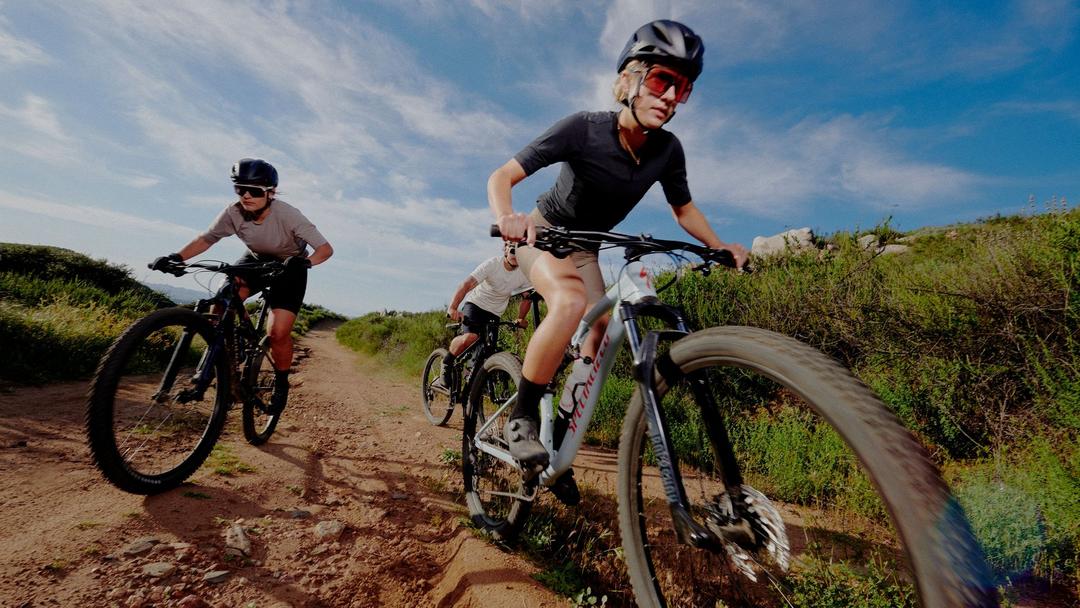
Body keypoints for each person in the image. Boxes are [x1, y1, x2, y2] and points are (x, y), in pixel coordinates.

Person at [487, 20, 750, 496]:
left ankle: (557, 443)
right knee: (570, 302)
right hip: (542, 234)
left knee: (599, 333)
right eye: (661, 80)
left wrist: (719, 245)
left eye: (682, 88)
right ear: (629, 79)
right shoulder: (583, 129)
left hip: (586, 247)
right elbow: (502, 175)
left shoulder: (667, 150)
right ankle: (522, 418)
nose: (670, 96)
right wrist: (508, 217)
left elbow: (684, 209)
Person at [151, 158, 333, 413]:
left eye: (254, 191)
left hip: (290, 266)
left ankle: (281, 383)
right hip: (256, 260)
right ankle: (228, 356)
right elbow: (207, 238)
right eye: (240, 189)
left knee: (278, 332)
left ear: (270, 193)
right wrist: (177, 257)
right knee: (223, 299)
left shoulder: (288, 215)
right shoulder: (233, 212)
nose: (246, 196)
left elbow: (325, 249)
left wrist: (305, 263)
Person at [439, 241, 533, 387]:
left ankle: (474, 385)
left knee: (489, 352)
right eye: (513, 250)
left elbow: (527, 297)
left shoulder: (523, 273)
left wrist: (521, 318)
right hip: (476, 305)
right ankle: (447, 362)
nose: (516, 255)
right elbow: (467, 284)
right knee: (470, 337)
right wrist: (452, 308)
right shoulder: (493, 264)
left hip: (494, 313)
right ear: (505, 250)